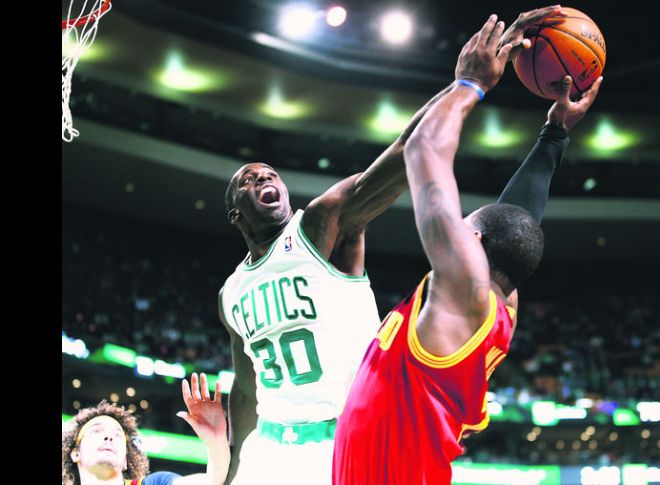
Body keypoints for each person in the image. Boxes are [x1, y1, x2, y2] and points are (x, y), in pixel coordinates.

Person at [332, 8, 602, 484]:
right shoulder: (497, 306)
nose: (452, 229)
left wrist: (471, 83)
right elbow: (514, 223)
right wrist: (553, 135)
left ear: (472, 244)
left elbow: (423, 149)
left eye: (462, 225)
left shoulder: (464, 293)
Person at [218, 49, 462, 485]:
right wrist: (234, 463)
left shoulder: (318, 227)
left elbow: (406, 150)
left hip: (343, 438)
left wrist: (466, 85)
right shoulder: (231, 292)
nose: (265, 179)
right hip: (269, 449)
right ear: (235, 213)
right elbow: (246, 387)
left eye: (270, 174)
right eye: (249, 180)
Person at [62, 373, 230, 485]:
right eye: (96, 431)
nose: (109, 437)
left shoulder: (156, 483)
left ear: (125, 460)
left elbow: (211, 481)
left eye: (118, 435)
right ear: (75, 452)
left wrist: (215, 442)